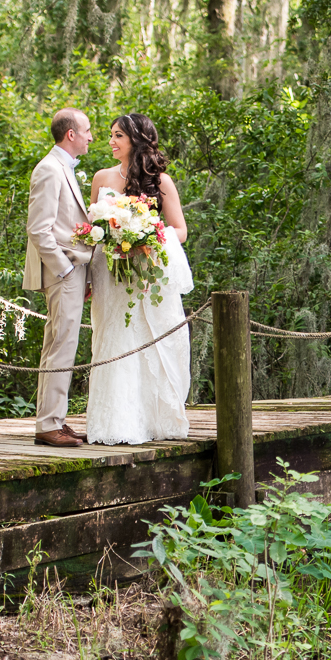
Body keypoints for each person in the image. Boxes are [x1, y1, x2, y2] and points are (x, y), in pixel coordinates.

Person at [83, 113, 194, 446]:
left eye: (118, 135)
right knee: (112, 339)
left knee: (149, 337)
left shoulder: (159, 180)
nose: (111, 141)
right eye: (110, 135)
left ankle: (152, 420)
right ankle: (114, 422)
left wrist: (145, 235)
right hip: (108, 272)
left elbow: (181, 230)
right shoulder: (101, 177)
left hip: (146, 272)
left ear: (136, 139)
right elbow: (91, 230)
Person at [22, 108, 95, 447]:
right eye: (87, 131)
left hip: (72, 269)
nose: (91, 137)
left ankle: (52, 421)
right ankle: (49, 424)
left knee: (58, 345)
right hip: (62, 270)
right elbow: (39, 229)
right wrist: (65, 269)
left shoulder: (62, 168)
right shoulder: (50, 170)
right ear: (71, 134)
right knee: (61, 346)